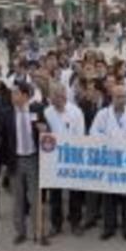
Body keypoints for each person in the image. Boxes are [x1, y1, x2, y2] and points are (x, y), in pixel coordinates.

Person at [90, 84, 126, 241]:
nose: (121, 100)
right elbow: (93, 132)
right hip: (109, 160)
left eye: (123, 97)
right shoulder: (103, 114)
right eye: (118, 97)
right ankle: (109, 227)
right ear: (112, 98)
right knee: (109, 196)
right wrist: (106, 140)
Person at [1, 81, 47, 245]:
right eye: (12, 93)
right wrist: (5, 164)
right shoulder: (6, 114)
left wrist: (44, 130)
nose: (12, 96)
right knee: (18, 199)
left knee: (35, 198)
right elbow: (4, 140)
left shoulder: (37, 110)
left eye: (16, 93)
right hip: (16, 160)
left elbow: (47, 133)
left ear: (25, 95)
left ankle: (39, 232)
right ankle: (20, 231)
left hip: (33, 158)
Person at [43, 82, 86, 237]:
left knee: (75, 193)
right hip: (53, 160)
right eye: (54, 96)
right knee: (55, 194)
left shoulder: (76, 112)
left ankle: (75, 222)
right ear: (50, 97)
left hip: (72, 157)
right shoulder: (47, 112)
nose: (57, 98)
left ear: (65, 95)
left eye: (60, 95)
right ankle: (56, 224)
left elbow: (80, 135)